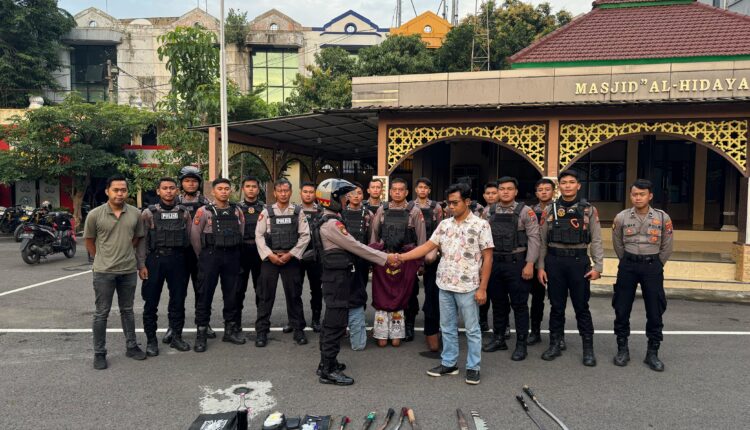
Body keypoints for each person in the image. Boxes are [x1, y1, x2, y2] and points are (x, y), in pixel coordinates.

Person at [398, 182, 493, 385]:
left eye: (455, 202)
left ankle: (473, 367)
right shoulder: (444, 225)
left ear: (467, 201)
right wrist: (401, 257)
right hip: (444, 284)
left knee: (472, 329)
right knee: (447, 327)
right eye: (449, 203)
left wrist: (483, 288)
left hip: (468, 287)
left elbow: (488, 258)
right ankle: (449, 363)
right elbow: (427, 247)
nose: (451, 206)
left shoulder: (481, 225)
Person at [311, 179, 398, 385]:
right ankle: (328, 370)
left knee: (331, 321)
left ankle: (326, 363)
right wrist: (385, 258)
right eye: (342, 196)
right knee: (335, 323)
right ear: (331, 199)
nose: (345, 200)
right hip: (337, 280)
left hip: (335, 277)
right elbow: (356, 247)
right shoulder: (332, 224)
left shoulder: (326, 218)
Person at [537, 170, 604, 367]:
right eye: (564, 182)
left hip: (578, 261)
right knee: (556, 307)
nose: (567, 185)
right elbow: (542, 241)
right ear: (560, 186)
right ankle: (555, 344)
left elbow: (596, 239)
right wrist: (541, 266)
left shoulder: (588, 210)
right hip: (555, 261)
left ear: (578, 185)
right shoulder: (550, 209)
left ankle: (588, 349)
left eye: (571, 182)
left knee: (581, 307)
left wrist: (598, 266)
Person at [84, 174, 146, 370]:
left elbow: (137, 238)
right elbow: (89, 241)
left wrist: (133, 258)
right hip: (103, 272)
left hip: (128, 270)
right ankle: (99, 353)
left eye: (123, 190)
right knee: (101, 312)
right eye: (116, 190)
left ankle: (131, 346)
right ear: (107, 191)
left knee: (127, 310)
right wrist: (101, 258)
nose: (120, 193)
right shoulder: (95, 214)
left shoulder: (135, 213)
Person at [611, 179, 673, 371]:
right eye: (635, 194)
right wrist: (626, 260)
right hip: (628, 265)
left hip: (652, 266)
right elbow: (617, 242)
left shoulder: (662, 217)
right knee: (622, 307)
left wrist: (657, 263)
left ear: (650, 196)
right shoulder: (621, 217)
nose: (638, 198)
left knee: (655, 309)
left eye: (642, 194)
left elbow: (667, 244)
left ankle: (652, 353)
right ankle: (622, 349)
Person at [480, 177, 540, 361]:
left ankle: (521, 344)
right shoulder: (488, 211)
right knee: (498, 304)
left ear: (516, 192)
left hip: (517, 263)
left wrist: (530, 263)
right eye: (502, 189)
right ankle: (499, 338)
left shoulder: (526, 211)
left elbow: (534, 238)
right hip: (495, 263)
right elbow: (481, 238)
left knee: (519, 305)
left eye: (509, 189)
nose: (505, 192)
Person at [136, 177, 193, 356]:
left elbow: (190, 237)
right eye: (165, 188)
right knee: (151, 302)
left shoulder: (184, 212)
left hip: (178, 260)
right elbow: (142, 241)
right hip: (155, 260)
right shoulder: (148, 213)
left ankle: (176, 336)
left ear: (177, 190)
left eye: (172, 188)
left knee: (178, 301)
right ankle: (151, 341)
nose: (169, 191)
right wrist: (141, 264)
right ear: (158, 191)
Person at [190, 178, 246, 352]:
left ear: (230, 191)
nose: (223, 191)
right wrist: (203, 256)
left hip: (232, 256)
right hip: (210, 256)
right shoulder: (203, 211)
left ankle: (230, 330)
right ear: (213, 192)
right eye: (220, 188)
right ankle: (201, 333)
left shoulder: (237, 210)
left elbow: (242, 231)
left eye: (226, 188)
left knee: (231, 294)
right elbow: (195, 236)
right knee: (204, 294)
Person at [370, 178, 427, 345]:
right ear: (389, 192)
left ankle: (408, 325)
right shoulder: (382, 209)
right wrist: (373, 259)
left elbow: (421, 239)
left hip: (407, 261)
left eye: (400, 190)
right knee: (384, 292)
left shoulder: (414, 211)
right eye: (394, 189)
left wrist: (421, 263)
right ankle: (383, 327)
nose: (397, 192)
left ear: (406, 192)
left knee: (410, 293)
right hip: (385, 259)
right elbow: (374, 235)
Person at [254, 178, 310, 348]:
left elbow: (305, 235)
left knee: (294, 295)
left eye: (286, 191)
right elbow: (259, 235)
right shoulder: (266, 212)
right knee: (265, 296)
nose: (283, 194)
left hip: (290, 259)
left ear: (290, 192)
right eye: (280, 191)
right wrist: (269, 255)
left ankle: (298, 329)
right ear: (275, 193)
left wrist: (291, 254)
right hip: (270, 259)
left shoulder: (298, 212)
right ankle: (262, 331)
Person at [174, 166, 215, 343]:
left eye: (194, 181)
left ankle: (204, 324)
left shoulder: (206, 203)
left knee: (202, 292)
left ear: (199, 183)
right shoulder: (174, 202)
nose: (191, 184)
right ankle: (174, 327)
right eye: (187, 181)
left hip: (201, 254)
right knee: (178, 293)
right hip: (179, 254)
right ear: (181, 183)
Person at [409, 177, 444, 352]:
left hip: (431, 253)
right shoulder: (409, 207)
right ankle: (409, 322)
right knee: (410, 290)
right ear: (416, 189)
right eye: (420, 187)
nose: (422, 190)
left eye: (426, 188)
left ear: (429, 190)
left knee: (432, 291)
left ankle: (434, 326)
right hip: (412, 251)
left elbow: (441, 229)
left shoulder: (436, 207)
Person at [340, 182, 373, 351]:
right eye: (352, 193)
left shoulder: (368, 214)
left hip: (361, 259)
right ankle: (342, 325)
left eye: (359, 193)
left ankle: (358, 324)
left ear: (363, 195)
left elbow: (372, 238)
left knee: (359, 291)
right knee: (342, 292)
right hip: (343, 260)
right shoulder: (340, 214)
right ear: (347, 196)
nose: (356, 196)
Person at [235, 176, 265, 340]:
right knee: (238, 290)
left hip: (259, 252)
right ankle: (236, 324)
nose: (251, 189)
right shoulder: (236, 208)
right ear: (243, 189)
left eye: (254, 186)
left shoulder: (264, 209)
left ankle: (261, 326)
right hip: (241, 252)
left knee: (261, 291)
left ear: (258, 189)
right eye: (248, 186)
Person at [528, 178, 556, 347]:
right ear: (536, 193)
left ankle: (557, 335)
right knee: (537, 298)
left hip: (554, 257)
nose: (544, 192)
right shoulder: (530, 211)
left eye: (547, 189)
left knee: (556, 300)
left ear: (553, 191)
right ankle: (535, 331)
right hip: (536, 257)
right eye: (540, 190)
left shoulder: (559, 209)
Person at [299, 181, 324, 333]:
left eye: (311, 192)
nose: (308, 195)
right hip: (297, 255)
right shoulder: (294, 210)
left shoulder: (321, 211)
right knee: (295, 290)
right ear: (300, 193)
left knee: (316, 290)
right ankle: (295, 320)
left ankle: (316, 320)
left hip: (316, 257)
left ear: (315, 194)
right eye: (305, 192)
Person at [478, 182, 500, 334]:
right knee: (483, 291)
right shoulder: (481, 212)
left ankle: (502, 326)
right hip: (485, 256)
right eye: (488, 193)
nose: (491, 196)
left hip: (501, 255)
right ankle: (483, 321)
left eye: (494, 193)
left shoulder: (506, 211)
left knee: (499, 295)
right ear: (484, 196)